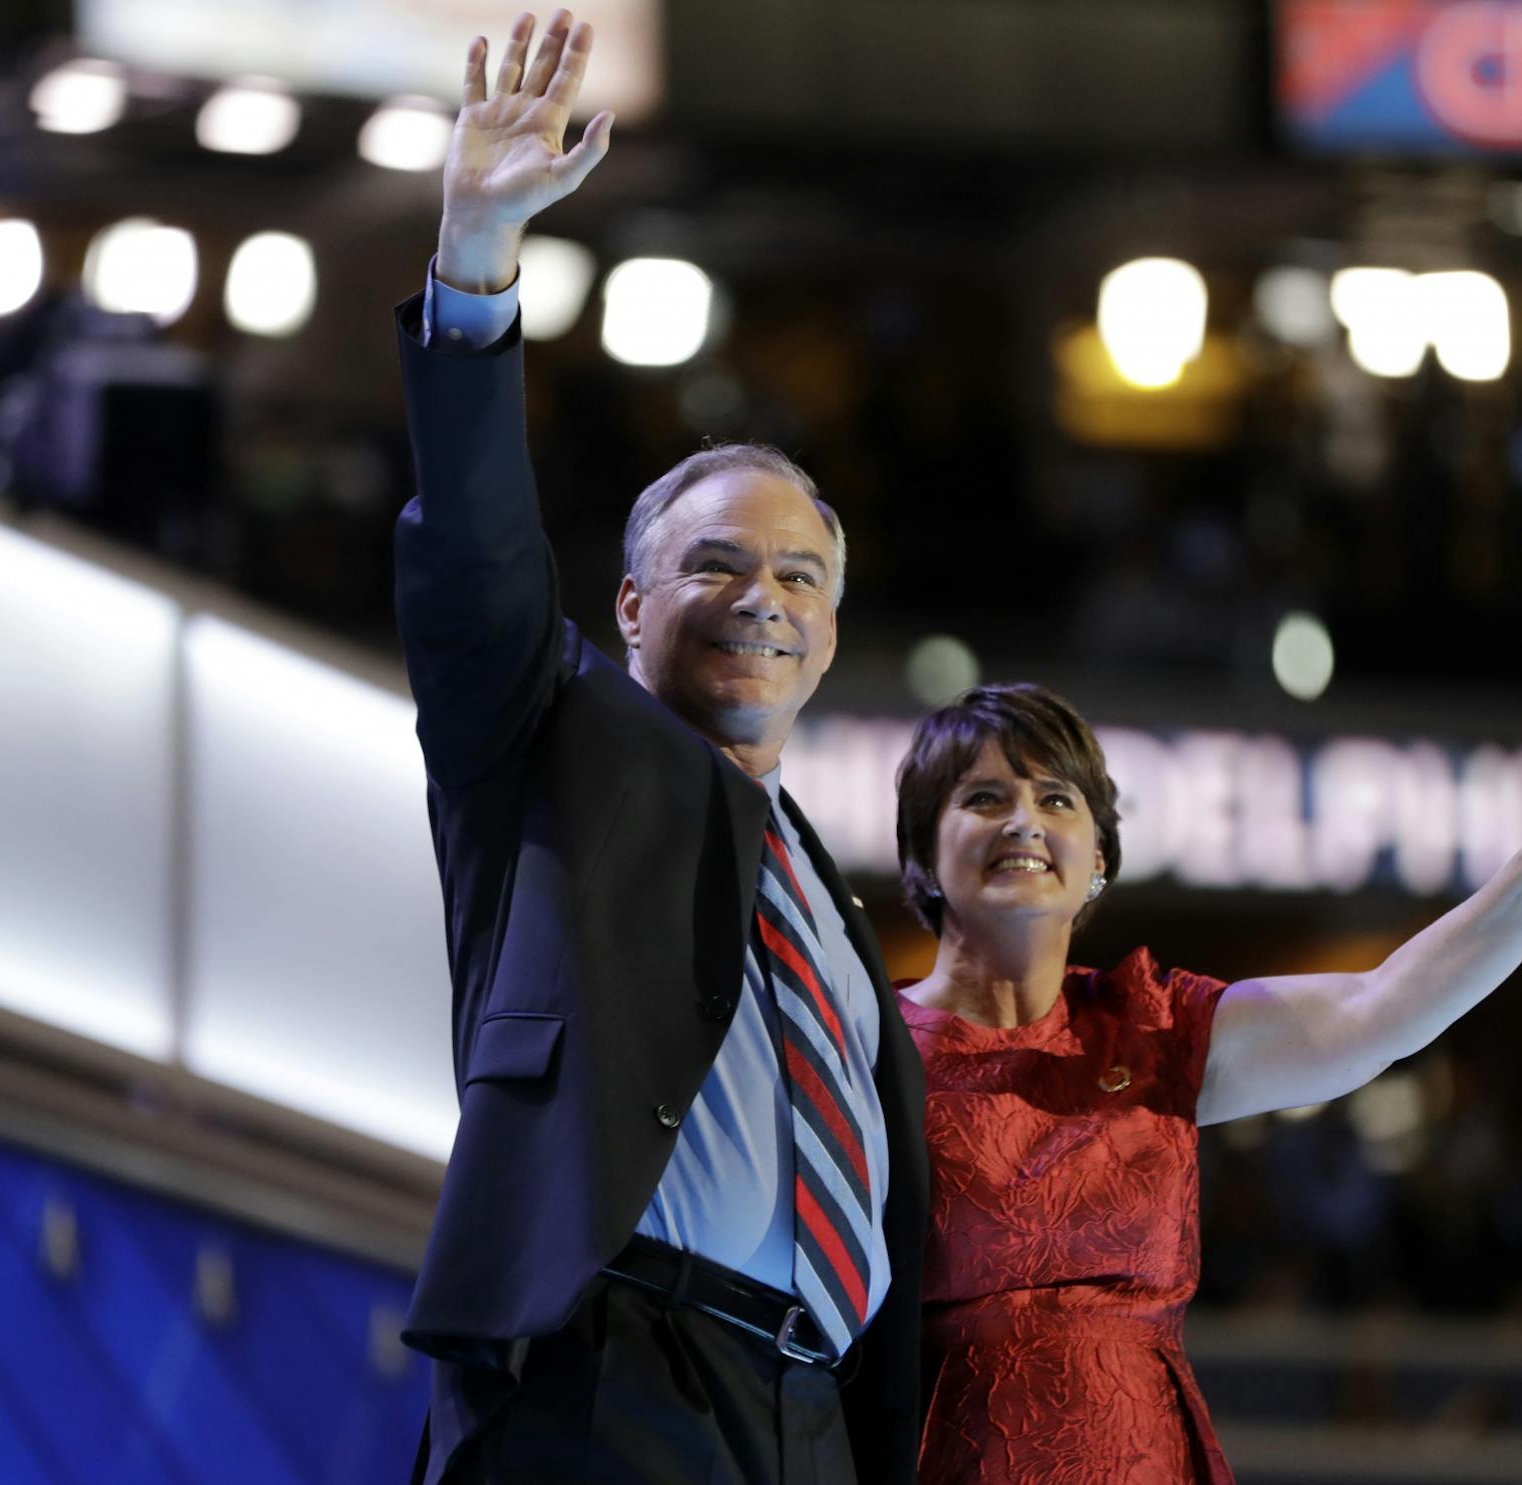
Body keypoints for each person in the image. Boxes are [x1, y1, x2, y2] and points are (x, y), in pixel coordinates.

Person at [390, 13, 926, 1482]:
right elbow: (480, 558)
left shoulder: (822, 887)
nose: (763, 600)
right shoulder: (547, 743)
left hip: (813, 1415)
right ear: (629, 604)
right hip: (615, 1380)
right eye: (716, 566)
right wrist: (477, 260)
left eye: (800, 578)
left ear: (828, 635)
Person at [892, 683, 1522, 1483]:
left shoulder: (1153, 1030)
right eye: (986, 796)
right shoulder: (868, 1047)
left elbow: (1380, 1006)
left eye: (1057, 797)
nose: (1025, 819)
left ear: (1098, 858)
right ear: (923, 854)